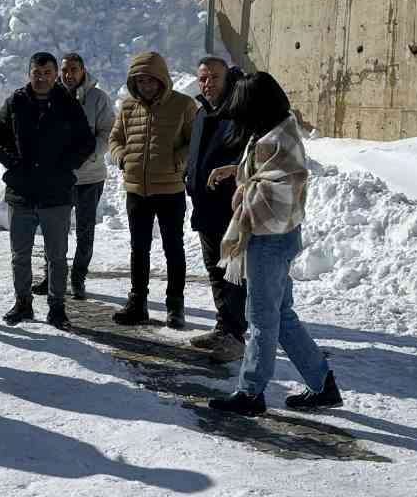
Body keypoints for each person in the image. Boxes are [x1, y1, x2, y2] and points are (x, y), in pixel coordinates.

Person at [207, 72, 343, 416]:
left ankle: (251, 393)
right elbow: (264, 174)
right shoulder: (275, 133)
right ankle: (322, 383)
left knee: (262, 319)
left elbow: (277, 192)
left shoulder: (277, 142)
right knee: (280, 316)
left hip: (269, 238)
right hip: (277, 237)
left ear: (256, 107)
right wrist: (236, 173)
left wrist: (242, 192)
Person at [0, 52, 95, 329]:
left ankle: (57, 307)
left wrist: (66, 168)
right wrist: (13, 162)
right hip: (21, 192)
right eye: (37, 72)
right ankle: (23, 303)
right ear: (29, 73)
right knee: (19, 254)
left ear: (55, 74)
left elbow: (86, 141)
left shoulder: (67, 103)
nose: (42, 78)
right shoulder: (15, 102)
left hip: (56, 194)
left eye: (47, 73)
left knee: (56, 256)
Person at [107, 50, 196, 329]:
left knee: (173, 247)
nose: (145, 86)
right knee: (139, 247)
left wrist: (175, 161)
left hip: (169, 189)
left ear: (162, 79)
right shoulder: (128, 107)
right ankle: (138, 303)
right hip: (136, 189)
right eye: (140, 81)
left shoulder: (183, 105)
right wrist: (121, 156)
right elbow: (114, 138)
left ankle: (175, 305)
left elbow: (194, 142)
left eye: (150, 81)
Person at [31, 52, 114, 301]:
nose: (69, 75)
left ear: (83, 71)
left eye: (74, 69)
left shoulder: (98, 98)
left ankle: (78, 278)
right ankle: (51, 276)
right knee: (54, 229)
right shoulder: (48, 96)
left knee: (85, 231)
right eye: (65, 70)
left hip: (89, 177)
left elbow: (107, 133)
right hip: (58, 178)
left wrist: (89, 157)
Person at [182, 56, 249, 361]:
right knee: (214, 272)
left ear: (228, 80)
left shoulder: (239, 114)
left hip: (230, 210)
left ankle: (235, 336)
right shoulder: (202, 113)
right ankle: (223, 328)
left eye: (214, 78)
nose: (207, 84)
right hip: (204, 208)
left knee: (233, 275)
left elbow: (250, 161)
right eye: (203, 79)